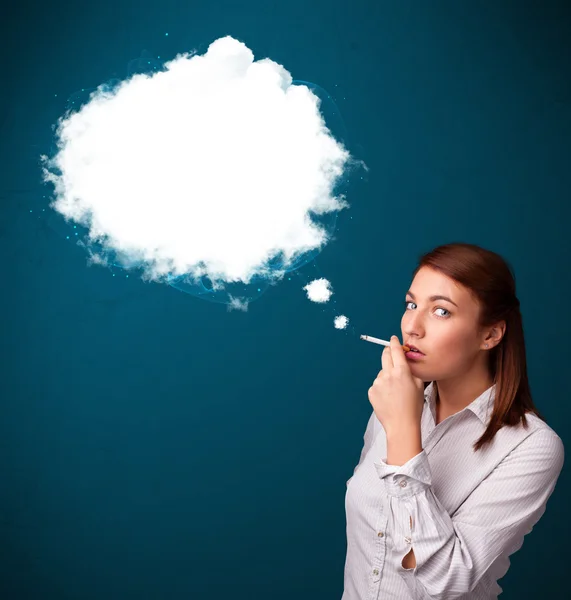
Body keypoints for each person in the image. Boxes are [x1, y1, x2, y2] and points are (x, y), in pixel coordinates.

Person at [342, 242, 564, 600]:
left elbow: (446, 581)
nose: (412, 327)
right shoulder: (392, 403)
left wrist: (402, 430)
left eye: (441, 311)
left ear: (490, 334)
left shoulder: (531, 447)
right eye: (411, 304)